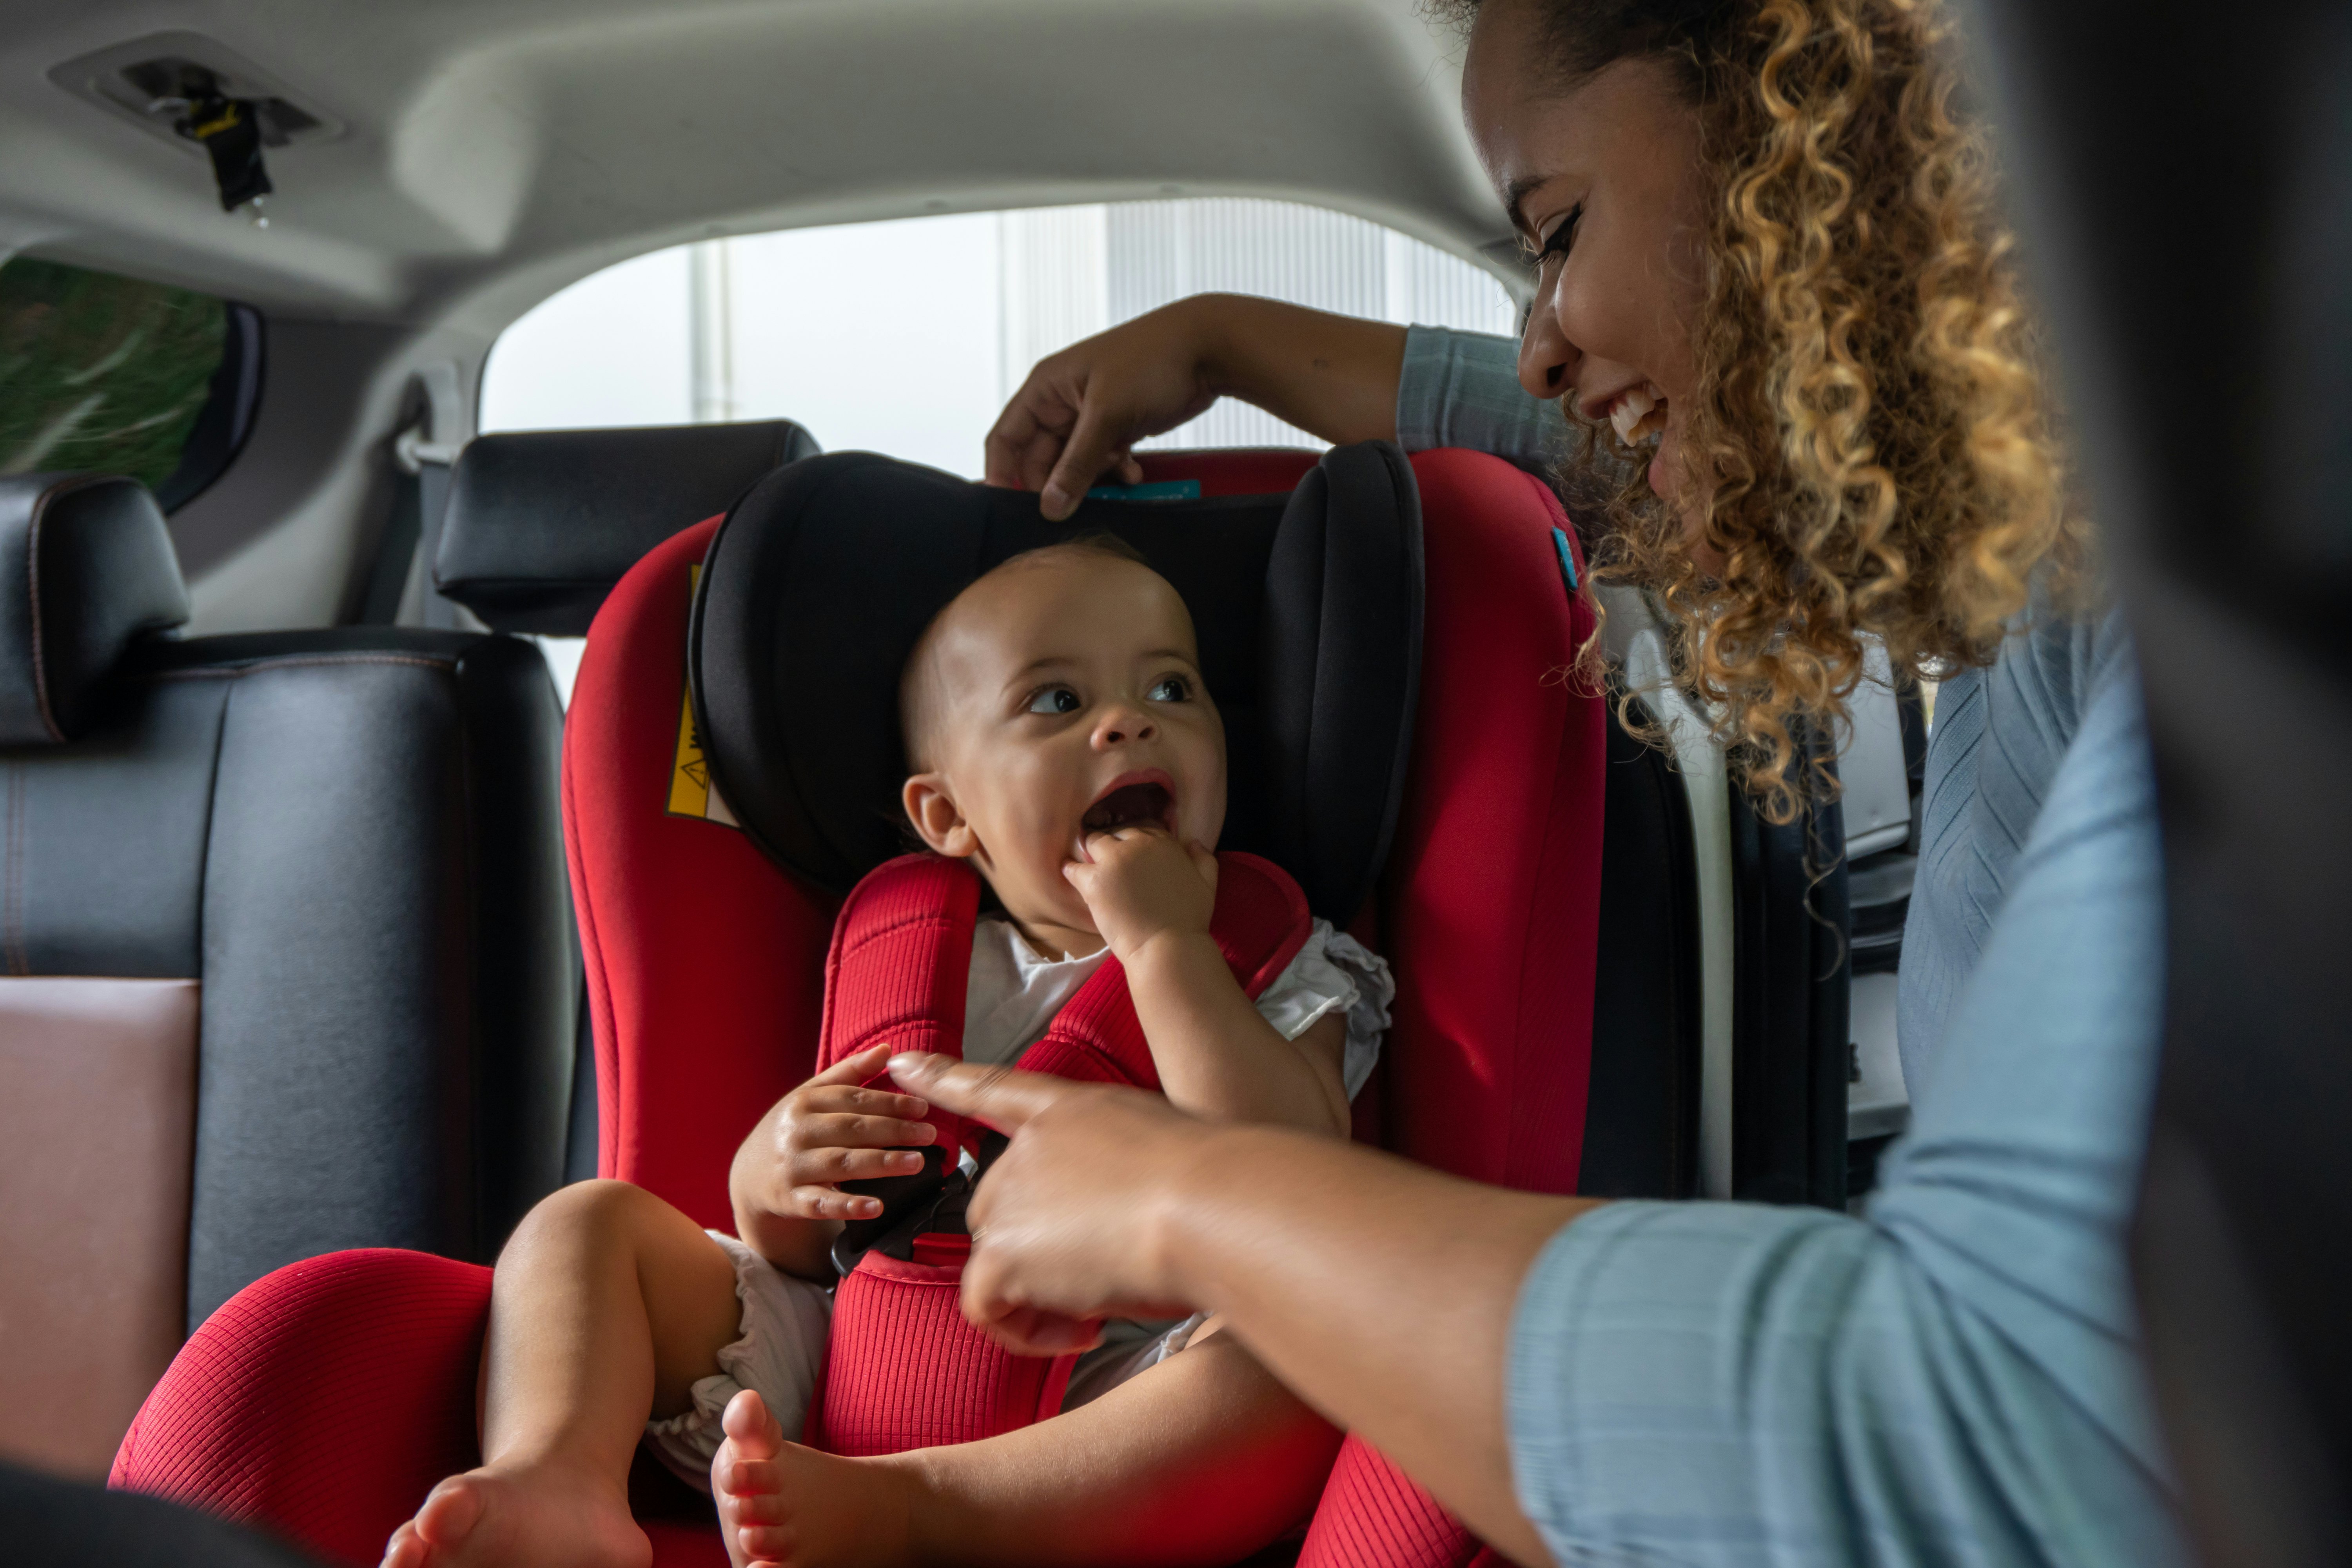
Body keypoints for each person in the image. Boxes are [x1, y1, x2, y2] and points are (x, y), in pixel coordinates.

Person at [947, 0, 2192, 1563]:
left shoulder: (2183, 611)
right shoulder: (2068, 578)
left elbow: (1982, 1455)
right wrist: (1216, 339)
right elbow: (1579, 421)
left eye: (1555, 233)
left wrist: (1204, 1204)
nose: (1539, 340)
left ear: (1782, 149)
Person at [379, 542, 1393, 1568]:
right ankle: (558, 1477)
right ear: (947, 816)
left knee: (1297, 1349)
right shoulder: (910, 957)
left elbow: (1294, 1175)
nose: (1129, 721)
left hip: (1117, 1392)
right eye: (1054, 702)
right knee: (586, 1221)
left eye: (1172, 686)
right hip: (847, 1352)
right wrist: (774, 1174)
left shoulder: (1278, 958)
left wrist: (1165, 948)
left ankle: (915, 1510)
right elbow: (797, 1249)